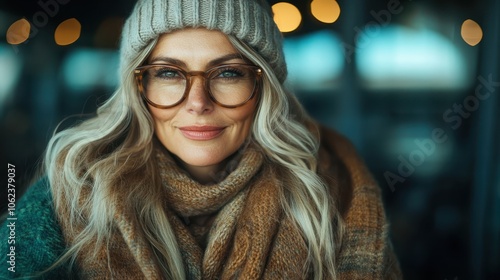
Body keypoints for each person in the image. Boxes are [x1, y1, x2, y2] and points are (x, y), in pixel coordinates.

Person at [0, 0, 402, 279]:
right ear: (139, 88)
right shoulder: (67, 191)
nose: (197, 103)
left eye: (227, 73)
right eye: (169, 73)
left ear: (263, 87)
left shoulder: (336, 194)